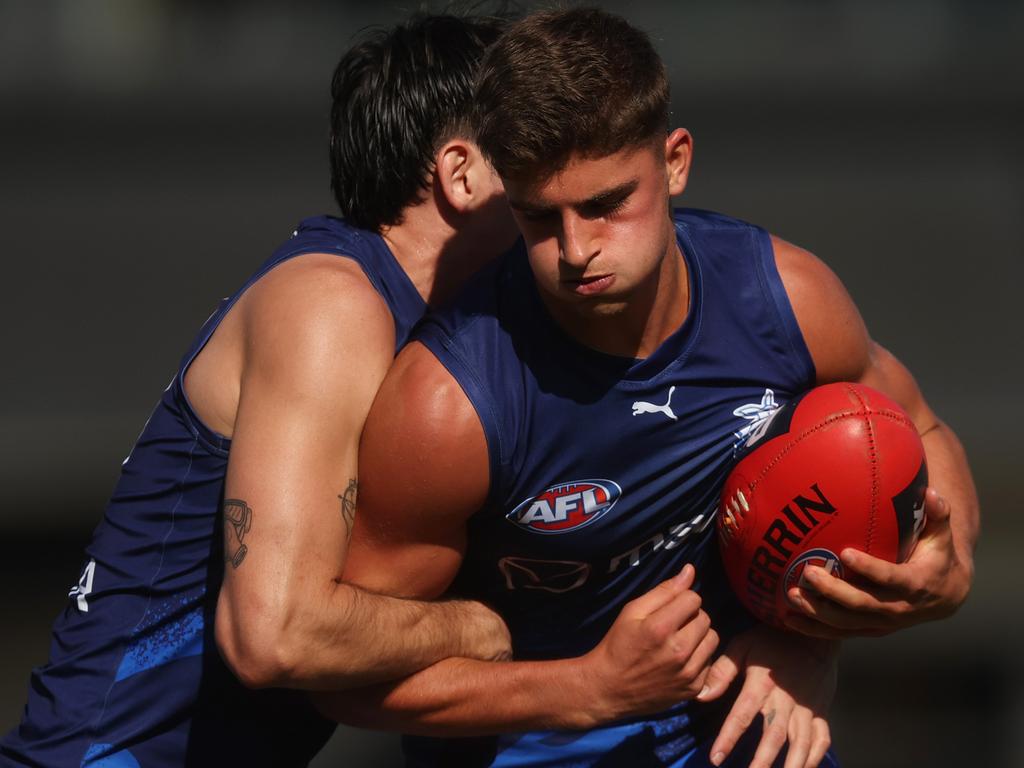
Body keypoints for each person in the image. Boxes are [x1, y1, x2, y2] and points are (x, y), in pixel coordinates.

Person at [322, 8, 979, 767]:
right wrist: (587, 689)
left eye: (605, 205)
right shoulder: (448, 406)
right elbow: (343, 683)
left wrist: (936, 570)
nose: (576, 250)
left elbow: (921, 430)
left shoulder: (784, 301)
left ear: (675, 162)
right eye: (540, 219)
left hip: (744, 733)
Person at [0, 15, 520, 768]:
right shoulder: (333, 306)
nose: (558, 175)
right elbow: (274, 634)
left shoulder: (426, 328)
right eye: (534, 144)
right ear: (461, 173)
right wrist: (479, 628)